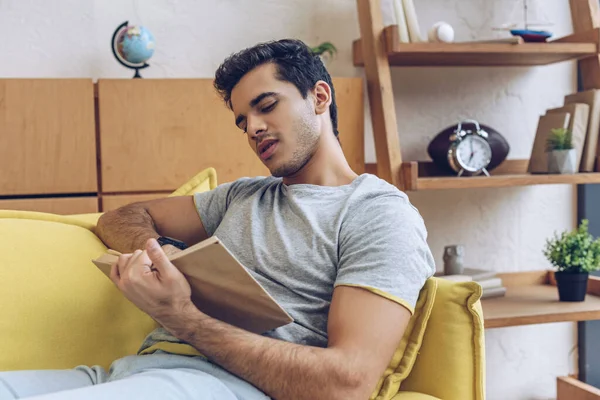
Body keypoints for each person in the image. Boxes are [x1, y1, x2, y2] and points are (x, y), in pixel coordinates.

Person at [0, 39, 435, 400]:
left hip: (222, 386)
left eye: (267, 106)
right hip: (130, 373)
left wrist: (182, 316)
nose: (253, 129)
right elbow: (123, 216)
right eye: (243, 120)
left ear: (319, 97)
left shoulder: (377, 212)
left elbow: (347, 383)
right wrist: (159, 255)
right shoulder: (242, 195)